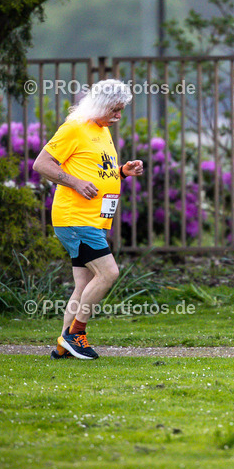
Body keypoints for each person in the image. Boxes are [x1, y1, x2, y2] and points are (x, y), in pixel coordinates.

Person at [32, 78, 144, 360]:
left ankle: (63, 345)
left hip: (93, 219)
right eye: (115, 110)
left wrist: (122, 171)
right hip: (75, 218)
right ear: (100, 104)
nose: (118, 116)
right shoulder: (74, 127)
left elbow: (98, 171)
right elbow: (41, 164)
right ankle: (75, 334)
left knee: (83, 285)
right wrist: (75, 183)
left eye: (121, 110)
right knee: (109, 273)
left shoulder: (101, 130)